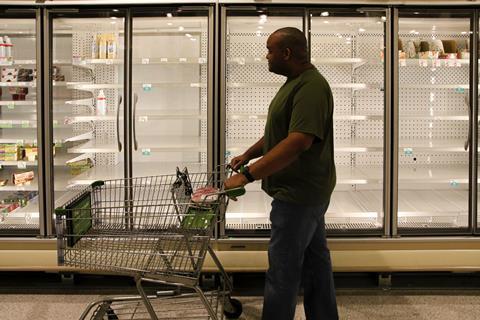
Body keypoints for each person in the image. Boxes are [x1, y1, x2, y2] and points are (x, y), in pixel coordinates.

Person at [224, 27, 338, 320]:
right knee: (316, 266)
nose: (267, 56)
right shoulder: (295, 82)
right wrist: (249, 154)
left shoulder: (311, 86)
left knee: (283, 271)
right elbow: (281, 133)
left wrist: (247, 175)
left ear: (286, 53)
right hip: (305, 192)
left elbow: (298, 141)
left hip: (298, 194)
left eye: (270, 50)